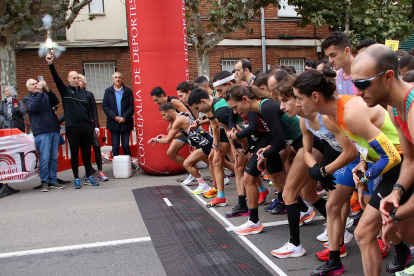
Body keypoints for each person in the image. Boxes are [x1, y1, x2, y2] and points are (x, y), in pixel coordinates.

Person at [293, 64, 406, 276]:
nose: (297, 104)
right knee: (374, 232)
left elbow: (392, 155)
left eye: (299, 98)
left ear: (315, 96)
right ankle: (402, 249)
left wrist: (365, 178)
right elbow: (364, 143)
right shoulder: (333, 114)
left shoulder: (349, 112)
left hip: (402, 165)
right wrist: (363, 163)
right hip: (386, 165)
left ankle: (402, 249)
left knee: (366, 233)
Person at [350, 44, 414, 275]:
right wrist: (397, 191)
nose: (357, 92)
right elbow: (410, 160)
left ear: (388, 76)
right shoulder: (395, 109)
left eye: (362, 84)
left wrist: (397, 213)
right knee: (405, 232)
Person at [46, 53, 100, 188]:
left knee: (87, 154)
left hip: (86, 128)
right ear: (69, 79)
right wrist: (51, 64)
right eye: (73, 78)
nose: (76, 80)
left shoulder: (84, 93)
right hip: (72, 129)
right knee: (74, 154)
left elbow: (91, 111)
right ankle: (76, 177)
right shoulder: (65, 91)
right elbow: (56, 79)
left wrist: (93, 126)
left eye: (78, 77)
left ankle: (88, 176)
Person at [148, 102, 215, 195]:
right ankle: (213, 184)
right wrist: (165, 136)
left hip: (204, 143)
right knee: (223, 164)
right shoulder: (182, 115)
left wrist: (158, 140)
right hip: (203, 142)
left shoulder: (178, 121)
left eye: (164, 115)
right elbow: (182, 134)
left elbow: (167, 140)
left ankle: (204, 186)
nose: (163, 118)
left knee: (187, 164)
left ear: (170, 112)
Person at [150, 85, 198, 185]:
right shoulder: (167, 105)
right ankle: (192, 171)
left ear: (162, 96)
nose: (155, 103)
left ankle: (221, 177)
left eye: (156, 100)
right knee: (171, 152)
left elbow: (187, 113)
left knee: (207, 157)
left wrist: (174, 125)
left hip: (190, 130)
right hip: (182, 131)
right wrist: (171, 124)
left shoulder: (173, 101)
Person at [23, 79, 64, 192]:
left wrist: (47, 90)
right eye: (33, 84)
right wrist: (41, 93)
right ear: (28, 88)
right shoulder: (27, 99)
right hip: (42, 132)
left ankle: (53, 179)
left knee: (53, 158)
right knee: (45, 158)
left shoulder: (45, 95)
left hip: (54, 130)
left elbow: (55, 101)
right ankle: (44, 181)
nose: (36, 85)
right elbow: (34, 108)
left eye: (36, 83)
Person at [102, 72, 135, 170]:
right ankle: (117, 166)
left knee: (126, 145)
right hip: (113, 123)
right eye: (115, 77)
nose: (117, 79)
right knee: (115, 146)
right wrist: (115, 117)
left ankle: (129, 165)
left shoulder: (128, 91)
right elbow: (105, 106)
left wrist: (124, 117)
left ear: (122, 79)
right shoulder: (108, 91)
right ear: (112, 79)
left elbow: (132, 106)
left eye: (119, 77)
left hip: (126, 122)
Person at [78, 74, 108, 181]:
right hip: (79, 127)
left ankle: (100, 171)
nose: (78, 82)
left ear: (84, 83)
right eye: (76, 80)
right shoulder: (73, 95)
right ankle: (88, 169)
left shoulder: (89, 94)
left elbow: (94, 110)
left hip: (90, 126)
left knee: (96, 147)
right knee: (84, 150)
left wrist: (96, 126)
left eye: (80, 80)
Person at [321, 31, 355, 95]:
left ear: (347, 51)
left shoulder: (365, 74)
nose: (330, 61)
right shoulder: (337, 76)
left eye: (333, 55)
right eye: (328, 56)